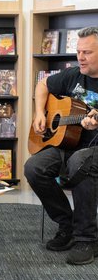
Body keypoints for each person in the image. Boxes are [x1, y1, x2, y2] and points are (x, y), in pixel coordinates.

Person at [24, 26, 98, 265]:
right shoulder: (73, 75)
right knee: (34, 167)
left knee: (80, 162)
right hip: (68, 143)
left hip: (92, 150)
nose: (80, 57)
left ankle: (87, 237)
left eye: (87, 52)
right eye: (78, 51)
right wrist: (39, 113)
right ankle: (67, 226)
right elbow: (43, 85)